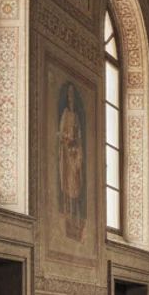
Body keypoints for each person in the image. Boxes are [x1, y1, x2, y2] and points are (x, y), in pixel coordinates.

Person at [58, 85, 84, 217]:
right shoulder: (65, 114)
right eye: (69, 96)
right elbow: (61, 133)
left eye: (72, 95)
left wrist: (78, 150)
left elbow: (79, 137)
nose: (71, 98)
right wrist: (67, 139)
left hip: (74, 152)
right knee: (67, 181)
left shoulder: (76, 118)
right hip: (67, 153)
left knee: (76, 182)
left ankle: (75, 211)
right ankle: (67, 210)